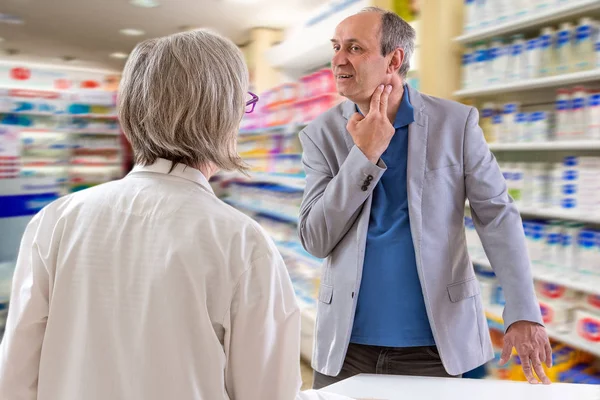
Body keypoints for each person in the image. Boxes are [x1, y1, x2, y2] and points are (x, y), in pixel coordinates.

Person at [0, 30, 351, 400]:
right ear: (222, 115)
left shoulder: (57, 219)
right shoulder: (242, 243)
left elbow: (14, 376)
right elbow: (268, 392)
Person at [298, 7, 552, 389]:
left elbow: (497, 216)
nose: (338, 59)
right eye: (336, 47)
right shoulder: (321, 134)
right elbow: (316, 239)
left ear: (394, 59)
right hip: (346, 345)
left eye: (354, 48)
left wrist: (523, 310)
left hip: (434, 344)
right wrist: (363, 157)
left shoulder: (456, 124)